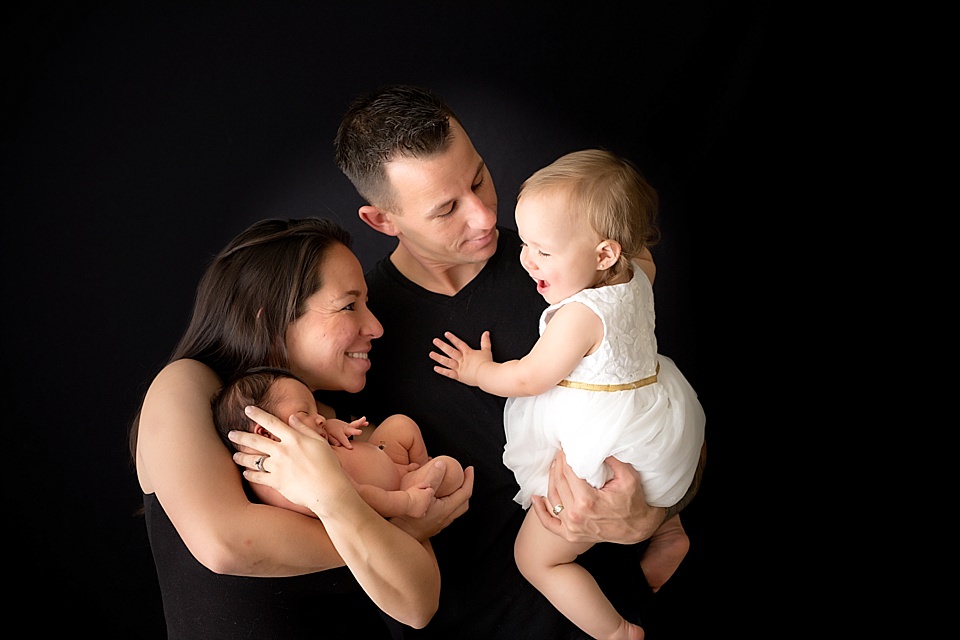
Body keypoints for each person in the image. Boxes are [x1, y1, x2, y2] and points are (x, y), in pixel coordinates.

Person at [331, 84, 706, 639]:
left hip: (616, 608)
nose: (484, 216)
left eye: (479, 178)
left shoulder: (573, 263)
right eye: (446, 208)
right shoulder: (363, 329)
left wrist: (647, 518)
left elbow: (657, 411)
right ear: (383, 220)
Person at [130, 217, 473, 639]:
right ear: (269, 317)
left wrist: (364, 516)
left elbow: (419, 604)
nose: (376, 327)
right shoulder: (188, 384)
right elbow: (226, 543)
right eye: (349, 305)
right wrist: (396, 531)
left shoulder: (356, 436)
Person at [430, 149, 706, 640]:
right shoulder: (642, 271)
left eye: (544, 251)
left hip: (602, 442)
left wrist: (477, 369)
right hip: (656, 422)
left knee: (535, 558)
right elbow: (637, 247)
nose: (526, 259)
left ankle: (616, 631)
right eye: (527, 243)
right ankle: (667, 530)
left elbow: (527, 379)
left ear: (604, 254)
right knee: (653, 488)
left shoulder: (578, 316)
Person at [213, 366, 464, 519]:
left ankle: (420, 465)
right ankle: (420, 487)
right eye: (305, 413)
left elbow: (321, 433)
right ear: (267, 433)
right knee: (450, 469)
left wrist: (330, 428)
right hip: (393, 492)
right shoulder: (281, 481)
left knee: (400, 424)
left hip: (387, 457)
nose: (320, 418)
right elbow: (352, 500)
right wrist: (406, 502)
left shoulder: (304, 443)